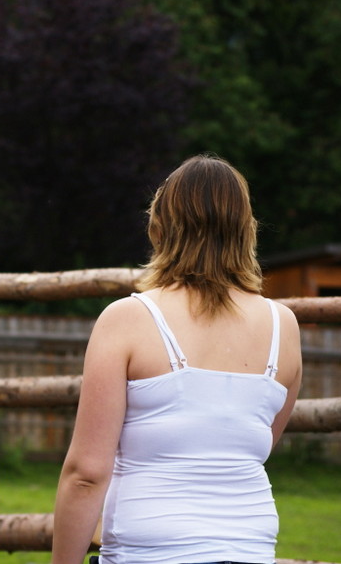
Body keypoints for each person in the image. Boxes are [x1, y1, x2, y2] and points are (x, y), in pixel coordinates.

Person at [51, 154, 303, 564]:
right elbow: (251, 445)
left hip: (150, 552)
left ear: (158, 228)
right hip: (252, 551)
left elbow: (86, 475)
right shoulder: (283, 328)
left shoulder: (128, 319)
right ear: (247, 229)